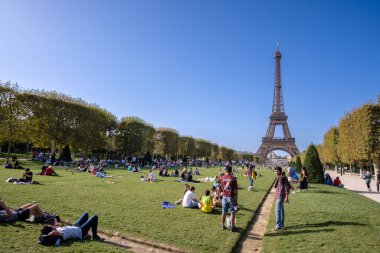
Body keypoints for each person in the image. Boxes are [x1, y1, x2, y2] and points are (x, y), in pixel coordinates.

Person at [39, 212, 103, 245]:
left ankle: (87, 233)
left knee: (86, 214)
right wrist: (48, 235)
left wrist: (51, 225)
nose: (51, 226)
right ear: (50, 231)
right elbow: (53, 232)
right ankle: (94, 236)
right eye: (49, 226)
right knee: (95, 217)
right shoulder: (58, 235)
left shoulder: (57, 229)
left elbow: (54, 227)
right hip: (80, 231)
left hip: (76, 226)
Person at [220, 165, 238, 232]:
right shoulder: (233, 178)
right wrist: (236, 199)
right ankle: (232, 227)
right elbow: (236, 190)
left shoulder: (222, 177)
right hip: (231, 196)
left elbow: (221, 187)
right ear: (231, 170)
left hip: (224, 196)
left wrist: (224, 192)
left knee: (223, 211)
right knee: (232, 212)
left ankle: (222, 225)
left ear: (226, 170)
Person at [272, 166, 290, 231]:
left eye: (277, 171)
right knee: (281, 210)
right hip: (279, 195)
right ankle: (281, 225)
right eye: (275, 171)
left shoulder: (283, 177)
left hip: (281, 196)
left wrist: (287, 196)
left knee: (277, 210)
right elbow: (276, 186)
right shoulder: (279, 177)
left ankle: (278, 225)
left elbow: (286, 187)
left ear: (280, 171)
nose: (276, 172)